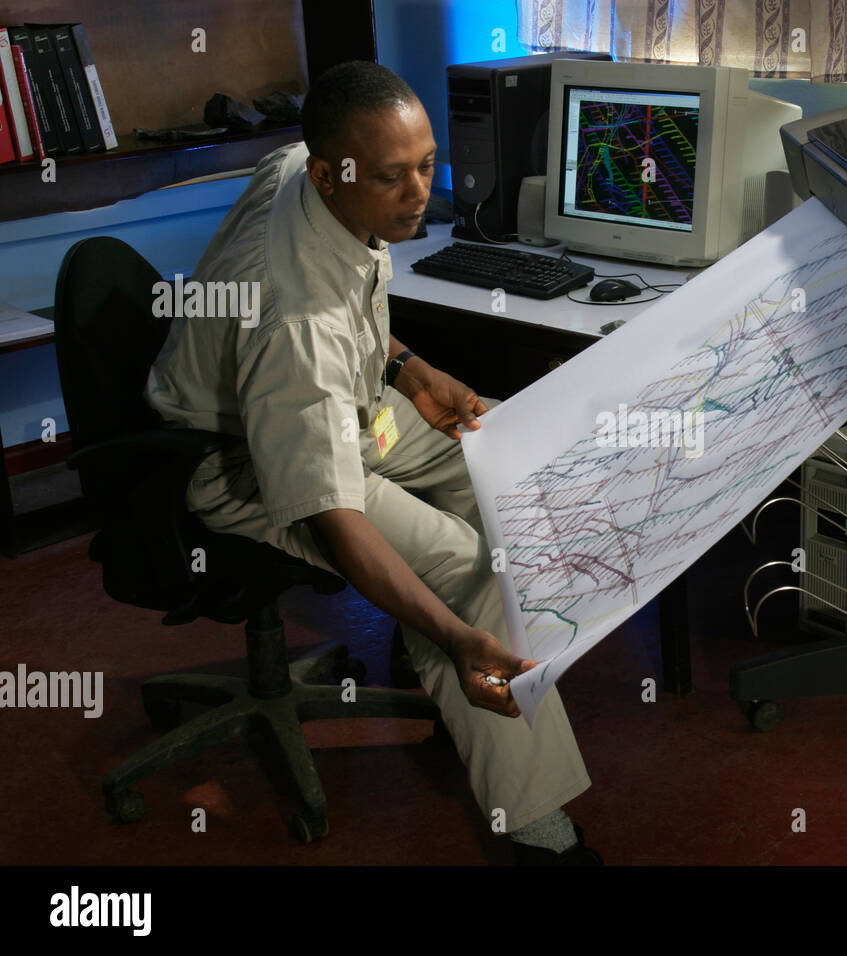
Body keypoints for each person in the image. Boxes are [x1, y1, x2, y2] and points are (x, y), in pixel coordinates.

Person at [145, 60, 599, 864]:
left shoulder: (298, 168)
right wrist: (455, 632)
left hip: (345, 399)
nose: (419, 193)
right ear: (332, 171)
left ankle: (437, 650)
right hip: (244, 453)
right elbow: (333, 510)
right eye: (393, 178)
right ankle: (531, 823)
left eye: (425, 166)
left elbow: (348, 293)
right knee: (473, 565)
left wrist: (407, 367)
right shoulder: (296, 323)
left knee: (507, 462)